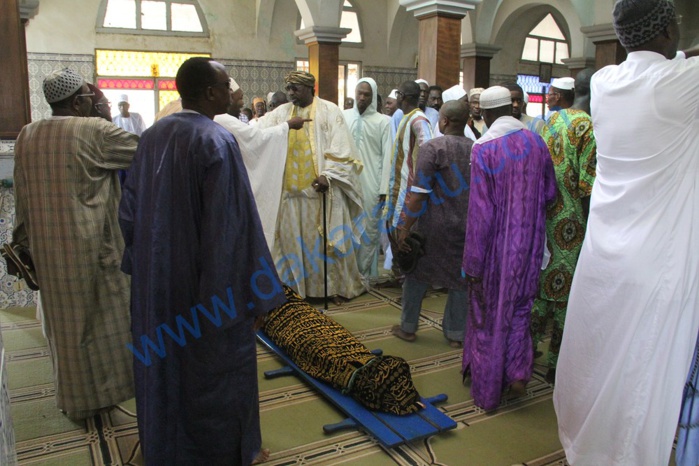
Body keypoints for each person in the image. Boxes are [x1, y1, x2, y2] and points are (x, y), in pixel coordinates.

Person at [553, 1, 699, 464]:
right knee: (644, 367)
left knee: (601, 351)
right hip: (658, 255)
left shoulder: (604, 82)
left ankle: (589, 442)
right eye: (674, 22)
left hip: (606, 251)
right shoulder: (677, 85)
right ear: (662, 31)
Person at [120, 57, 285, 465]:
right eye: (227, 85)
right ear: (210, 92)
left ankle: (163, 450)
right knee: (214, 374)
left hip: (157, 285)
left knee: (163, 369)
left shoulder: (153, 136)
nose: (233, 91)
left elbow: (128, 212)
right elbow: (230, 229)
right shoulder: (216, 140)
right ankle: (230, 453)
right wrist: (254, 296)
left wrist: (147, 268)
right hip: (208, 290)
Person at [13, 68, 138, 420]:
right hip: (93, 248)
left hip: (48, 251)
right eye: (91, 97)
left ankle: (74, 400)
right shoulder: (94, 129)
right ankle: (101, 398)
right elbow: (145, 152)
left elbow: (22, 193)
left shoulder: (27, 133)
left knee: (64, 328)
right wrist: (106, 115)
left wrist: (22, 241)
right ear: (80, 101)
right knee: (103, 325)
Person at [461, 86, 556, 412]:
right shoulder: (536, 142)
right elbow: (550, 193)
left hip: (496, 252)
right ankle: (517, 372)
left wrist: (472, 264)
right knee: (520, 310)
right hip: (529, 245)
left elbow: (480, 215)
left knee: (488, 316)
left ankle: (488, 391)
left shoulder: (484, 149)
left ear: (486, 114)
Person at [256, 71, 365, 303]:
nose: (291, 93)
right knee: (289, 245)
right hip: (289, 195)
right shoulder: (282, 113)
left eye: (296, 88)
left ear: (311, 88)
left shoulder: (329, 111)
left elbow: (343, 149)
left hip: (319, 194)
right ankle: (294, 291)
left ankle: (329, 290)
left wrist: (328, 175)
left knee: (323, 244)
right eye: (289, 89)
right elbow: (258, 132)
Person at [390, 100, 472, 348]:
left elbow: (419, 194)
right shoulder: (477, 148)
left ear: (444, 121)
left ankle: (408, 327)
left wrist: (404, 228)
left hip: (432, 226)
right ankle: (456, 334)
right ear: (466, 122)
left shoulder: (433, 148)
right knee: (460, 281)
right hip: (466, 225)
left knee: (416, 275)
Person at [530, 82, 597, 383]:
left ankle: (526, 353)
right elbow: (588, 184)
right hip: (571, 222)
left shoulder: (552, 120)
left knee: (541, 287)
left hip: (546, 215)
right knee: (564, 295)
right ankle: (557, 364)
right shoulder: (588, 126)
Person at [214, 79, 307, 250]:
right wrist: (287, 126)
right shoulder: (223, 119)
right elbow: (256, 139)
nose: (242, 103)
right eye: (239, 98)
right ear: (229, 97)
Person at [343, 78, 391, 278]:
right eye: (359, 93)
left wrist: (383, 189)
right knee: (346, 227)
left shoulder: (383, 122)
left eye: (367, 94)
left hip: (372, 183)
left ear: (373, 97)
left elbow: (388, 155)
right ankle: (348, 275)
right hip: (346, 182)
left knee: (369, 228)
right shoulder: (344, 117)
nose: (362, 98)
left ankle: (362, 275)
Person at [383, 80, 433, 232]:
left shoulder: (418, 120)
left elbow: (428, 152)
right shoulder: (406, 117)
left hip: (410, 192)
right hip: (399, 188)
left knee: (404, 241)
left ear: (401, 96)